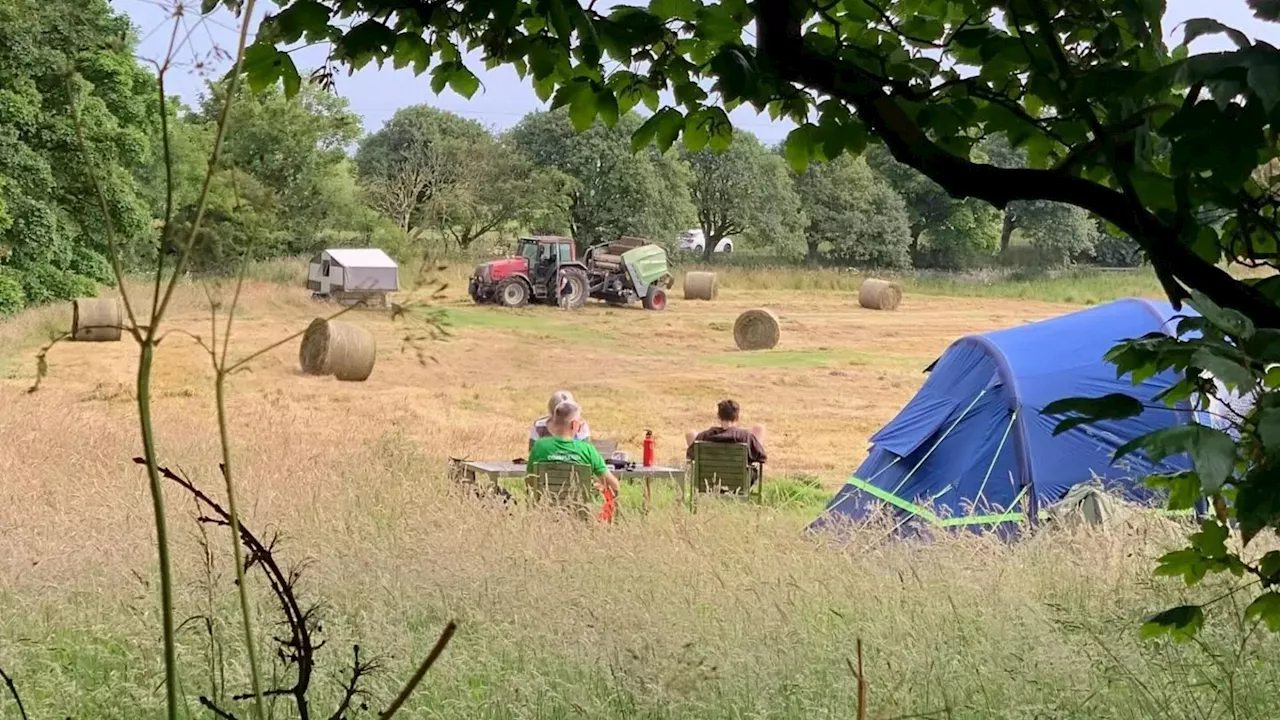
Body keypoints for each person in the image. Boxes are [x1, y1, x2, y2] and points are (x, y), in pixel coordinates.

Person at [527, 400, 620, 499]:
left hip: (545, 509)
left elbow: (530, 482)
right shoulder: (587, 450)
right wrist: (595, 488)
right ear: (574, 424)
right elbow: (614, 486)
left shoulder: (539, 446)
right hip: (580, 511)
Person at [685, 399, 768, 466]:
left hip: (708, 480)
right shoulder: (746, 437)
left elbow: (690, 456)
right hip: (739, 480)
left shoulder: (704, 436)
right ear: (737, 417)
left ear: (718, 416)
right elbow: (761, 458)